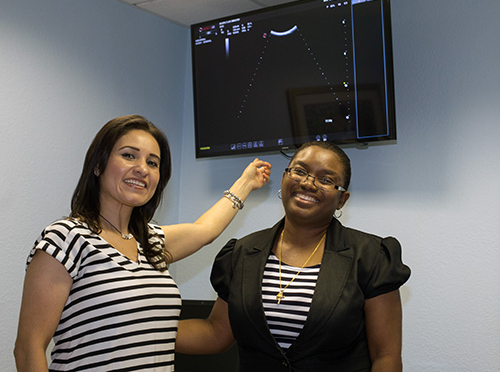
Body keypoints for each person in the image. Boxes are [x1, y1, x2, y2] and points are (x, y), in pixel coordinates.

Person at [13, 114, 271, 372]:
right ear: (98, 165)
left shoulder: (151, 242)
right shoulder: (67, 237)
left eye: (152, 162)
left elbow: (205, 230)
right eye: (128, 155)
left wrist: (246, 183)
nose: (142, 168)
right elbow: (28, 348)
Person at [176, 141, 411, 372]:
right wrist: (145, 328)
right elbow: (216, 333)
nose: (308, 183)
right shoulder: (243, 253)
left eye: (326, 180)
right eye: (299, 171)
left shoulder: (371, 257)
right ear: (284, 179)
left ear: (342, 199)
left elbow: (386, 357)